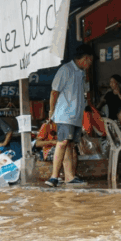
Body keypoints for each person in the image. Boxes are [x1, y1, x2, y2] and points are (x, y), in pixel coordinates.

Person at [45, 44, 93, 187]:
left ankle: (69, 177)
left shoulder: (82, 72)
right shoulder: (66, 69)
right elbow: (54, 92)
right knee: (63, 142)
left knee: (70, 145)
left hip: (76, 116)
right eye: (90, 60)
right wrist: (51, 111)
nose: (91, 63)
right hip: (64, 114)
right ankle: (53, 177)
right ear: (85, 58)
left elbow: (85, 91)